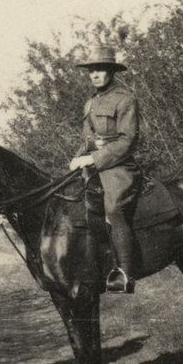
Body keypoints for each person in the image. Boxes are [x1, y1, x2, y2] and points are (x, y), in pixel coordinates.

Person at [68, 45, 141, 293]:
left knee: (113, 208)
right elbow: (88, 140)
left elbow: (127, 140)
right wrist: (77, 158)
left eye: (100, 69)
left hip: (119, 166)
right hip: (94, 165)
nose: (95, 74)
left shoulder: (125, 99)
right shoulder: (90, 104)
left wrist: (94, 159)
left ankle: (125, 274)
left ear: (111, 71)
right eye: (91, 70)